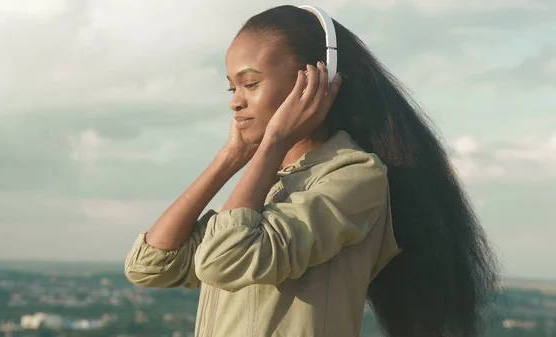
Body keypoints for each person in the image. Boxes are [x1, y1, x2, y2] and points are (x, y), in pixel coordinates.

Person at [124, 5, 499, 337]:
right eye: (232, 88)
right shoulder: (269, 183)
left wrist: (272, 143)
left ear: (314, 81)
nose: (236, 102)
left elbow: (225, 259)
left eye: (250, 83)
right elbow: (150, 266)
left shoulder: (355, 176)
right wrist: (230, 157)